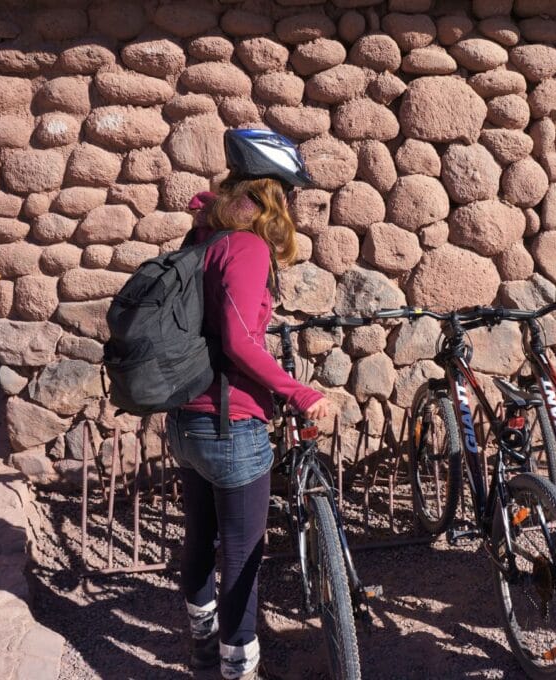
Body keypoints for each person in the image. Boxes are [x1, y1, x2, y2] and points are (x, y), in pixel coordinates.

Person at [166, 129, 334, 680]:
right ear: (272, 193)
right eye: (288, 193)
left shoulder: (203, 238)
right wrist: (301, 391)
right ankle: (237, 670)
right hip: (229, 424)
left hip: (187, 422)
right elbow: (239, 341)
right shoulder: (246, 246)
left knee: (199, 539)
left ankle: (200, 650)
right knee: (241, 556)